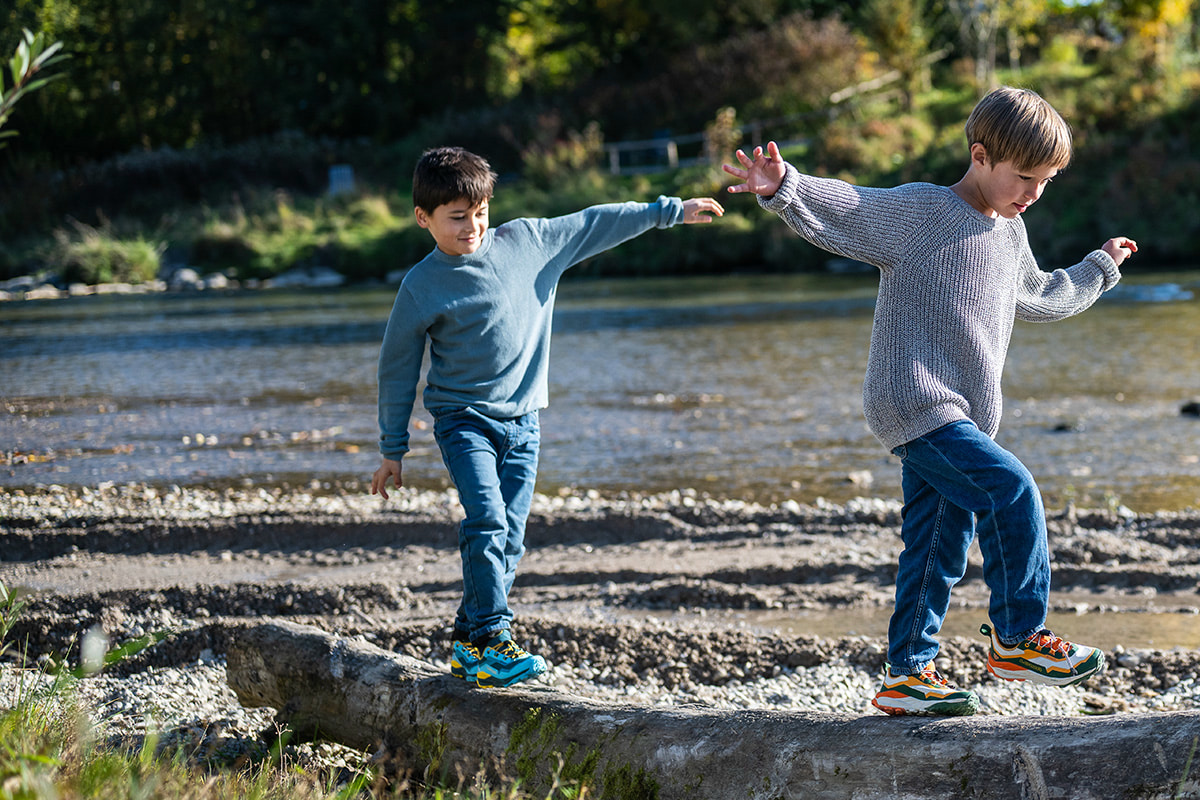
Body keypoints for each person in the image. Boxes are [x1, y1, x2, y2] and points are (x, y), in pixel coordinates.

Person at [723, 86, 1137, 716]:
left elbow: (1043, 295)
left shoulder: (1010, 232)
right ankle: (1019, 637)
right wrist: (786, 186)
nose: (1034, 192)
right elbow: (856, 208)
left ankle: (907, 675)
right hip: (914, 399)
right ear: (980, 155)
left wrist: (1099, 269)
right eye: (1025, 176)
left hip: (963, 416)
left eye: (1047, 181)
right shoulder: (924, 211)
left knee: (937, 541)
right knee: (1013, 489)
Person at [371, 146, 725, 689]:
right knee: (486, 520)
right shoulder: (421, 285)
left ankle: (469, 640)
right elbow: (397, 368)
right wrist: (392, 448)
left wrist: (669, 210)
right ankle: (492, 636)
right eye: (457, 217)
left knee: (510, 537)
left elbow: (596, 221)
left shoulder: (529, 243)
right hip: (464, 421)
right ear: (424, 218)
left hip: (525, 422)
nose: (473, 226)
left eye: (480, 212)